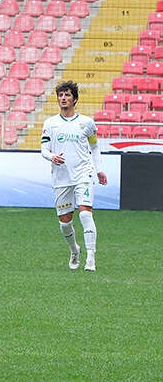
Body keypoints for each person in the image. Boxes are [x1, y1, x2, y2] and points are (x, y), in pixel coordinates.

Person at [40, 80, 108, 272]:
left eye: (67, 95)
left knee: (85, 212)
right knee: (65, 223)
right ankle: (74, 250)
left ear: (75, 99)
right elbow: (43, 149)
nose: (63, 98)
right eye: (60, 95)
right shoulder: (50, 123)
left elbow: (94, 146)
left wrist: (99, 169)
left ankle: (91, 258)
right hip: (61, 177)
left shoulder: (86, 123)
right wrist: (52, 156)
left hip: (83, 174)